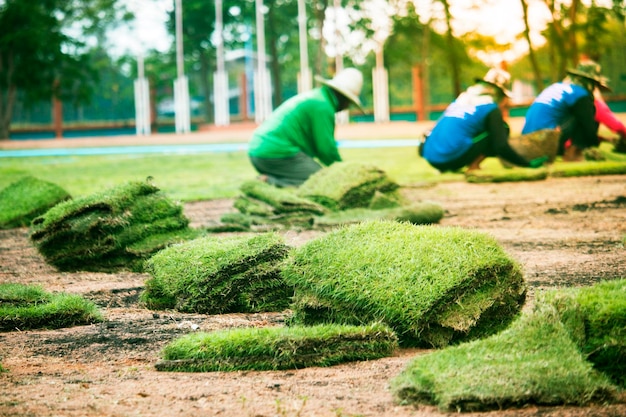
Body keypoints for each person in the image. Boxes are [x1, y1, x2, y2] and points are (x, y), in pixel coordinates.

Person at [248, 68, 364, 187]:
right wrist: (344, 172)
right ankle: (270, 182)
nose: (347, 107)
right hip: (274, 152)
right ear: (342, 96)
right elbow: (325, 150)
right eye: (349, 102)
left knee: (317, 175)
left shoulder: (319, 97)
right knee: (320, 182)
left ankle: (274, 179)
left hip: (260, 151)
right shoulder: (323, 106)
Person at [419, 68, 547, 172]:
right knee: (503, 128)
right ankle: (473, 166)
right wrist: (526, 163)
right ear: (499, 93)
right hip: (453, 159)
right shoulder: (489, 107)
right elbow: (500, 146)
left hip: (432, 159)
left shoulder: (461, 99)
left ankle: (449, 167)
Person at [521, 60, 606, 161]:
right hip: (545, 141)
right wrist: (594, 141)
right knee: (587, 113)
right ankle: (575, 154)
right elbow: (588, 125)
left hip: (526, 142)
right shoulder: (580, 94)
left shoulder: (557, 87)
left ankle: (562, 152)